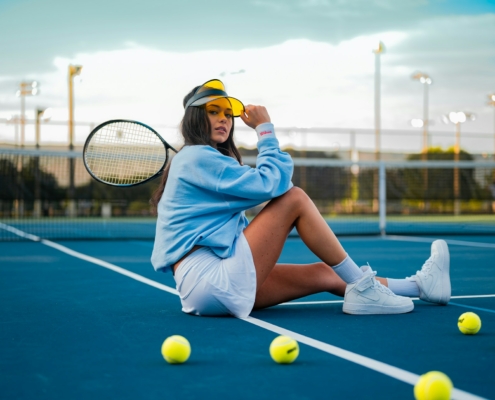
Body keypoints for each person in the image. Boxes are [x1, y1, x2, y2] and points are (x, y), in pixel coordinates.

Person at [151, 79, 451, 318]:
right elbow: (276, 185)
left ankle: (421, 286)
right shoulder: (196, 157)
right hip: (211, 278)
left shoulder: (200, 160)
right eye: (213, 111)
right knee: (295, 198)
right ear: (194, 118)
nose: (223, 119)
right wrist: (265, 131)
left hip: (204, 288)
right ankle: (363, 287)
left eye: (227, 113)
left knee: (324, 273)